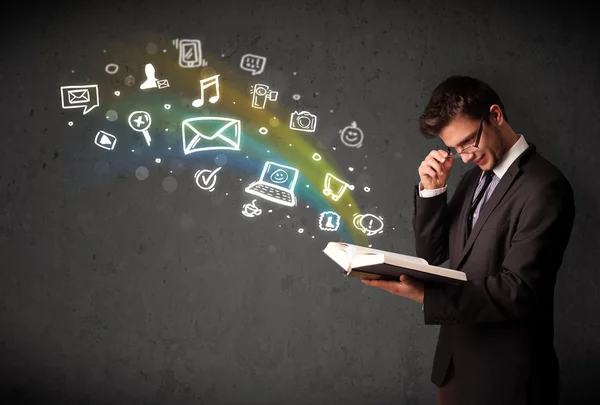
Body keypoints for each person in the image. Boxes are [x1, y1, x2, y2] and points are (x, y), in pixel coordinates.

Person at [362, 75, 575, 405]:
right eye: (454, 149)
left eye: (468, 142)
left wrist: (426, 297)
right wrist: (433, 190)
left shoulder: (545, 187)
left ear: (496, 115)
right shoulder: (473, 178)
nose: (463, 157)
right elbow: (433, 254)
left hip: (507, 379)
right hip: (454, 368)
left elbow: (518, 290)